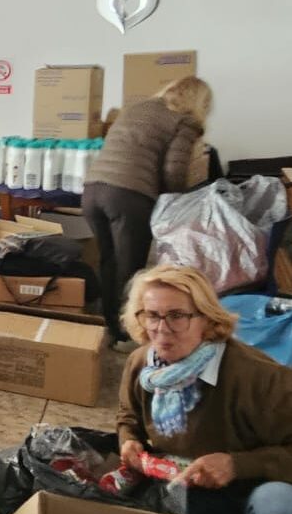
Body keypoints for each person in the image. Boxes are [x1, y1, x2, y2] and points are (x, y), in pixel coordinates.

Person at [116, 264, 292, 514]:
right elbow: (129, 416)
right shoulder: (142, 365)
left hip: (288, 495)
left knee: (275, 506)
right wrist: (129, 440)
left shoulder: (260, 378)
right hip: (208, 495)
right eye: (152, 315)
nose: (162, 328)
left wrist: (236, 465)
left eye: (177, 316)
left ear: (207, 319)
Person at [83, 75, 213, 346]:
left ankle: (107, 325)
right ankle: (126, 334)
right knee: (131, 269)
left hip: (93, 190)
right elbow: (174, 168)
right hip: (128, 196)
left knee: (109, 261)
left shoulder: (138, 108)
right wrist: (177, 199)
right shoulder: (186, 120)